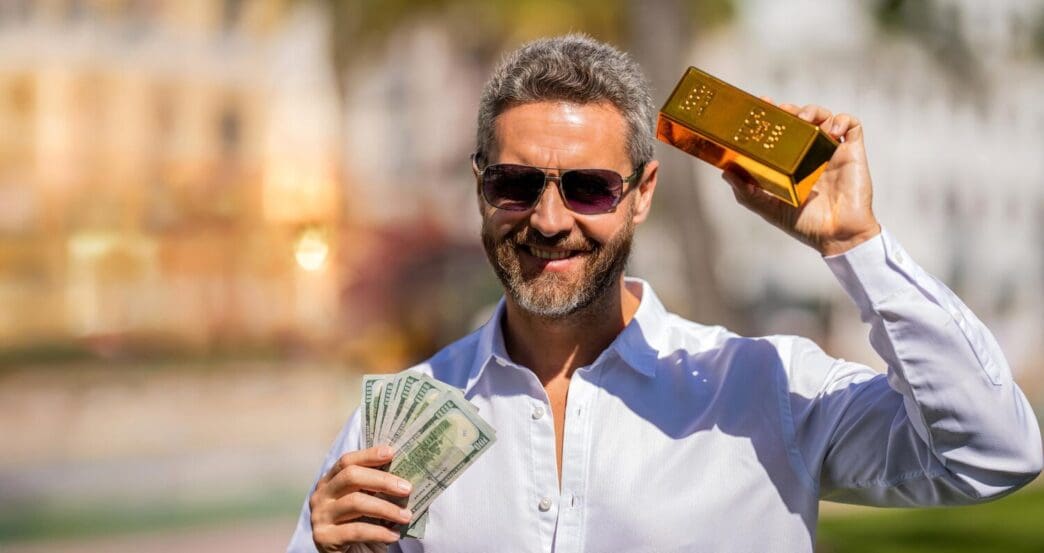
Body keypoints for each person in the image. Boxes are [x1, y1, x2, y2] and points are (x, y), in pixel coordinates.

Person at [288, 34, 1042, 553]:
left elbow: (994, 452)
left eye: (588, 188)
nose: (550, 221)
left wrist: (856, 245)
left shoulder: (764, 388)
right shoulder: (397, 423)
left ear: (641, 193)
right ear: (482, 186)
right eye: (517, 184)